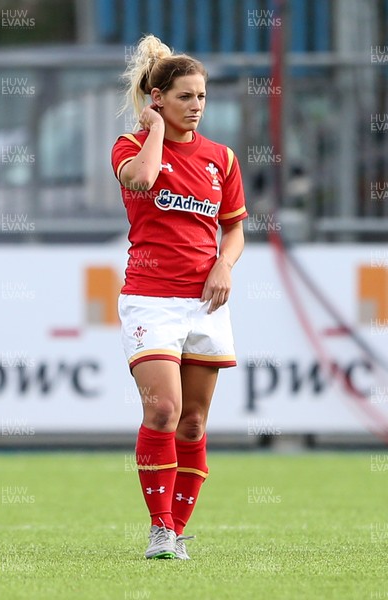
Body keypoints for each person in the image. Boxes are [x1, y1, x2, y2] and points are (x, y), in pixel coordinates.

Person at [111, 34, 247, 560]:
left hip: (205, 301)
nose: (195, 106)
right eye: (185, 96)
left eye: (202, 97)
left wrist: (224, 263)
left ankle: (177, 531)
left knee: (193, 420)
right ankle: (160, 529)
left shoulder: (222, 158)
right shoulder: (130, 146)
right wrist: (152, 130)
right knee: (163, 409)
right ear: (158, 97)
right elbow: (144, 180)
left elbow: (234, 230)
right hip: (149, 298)